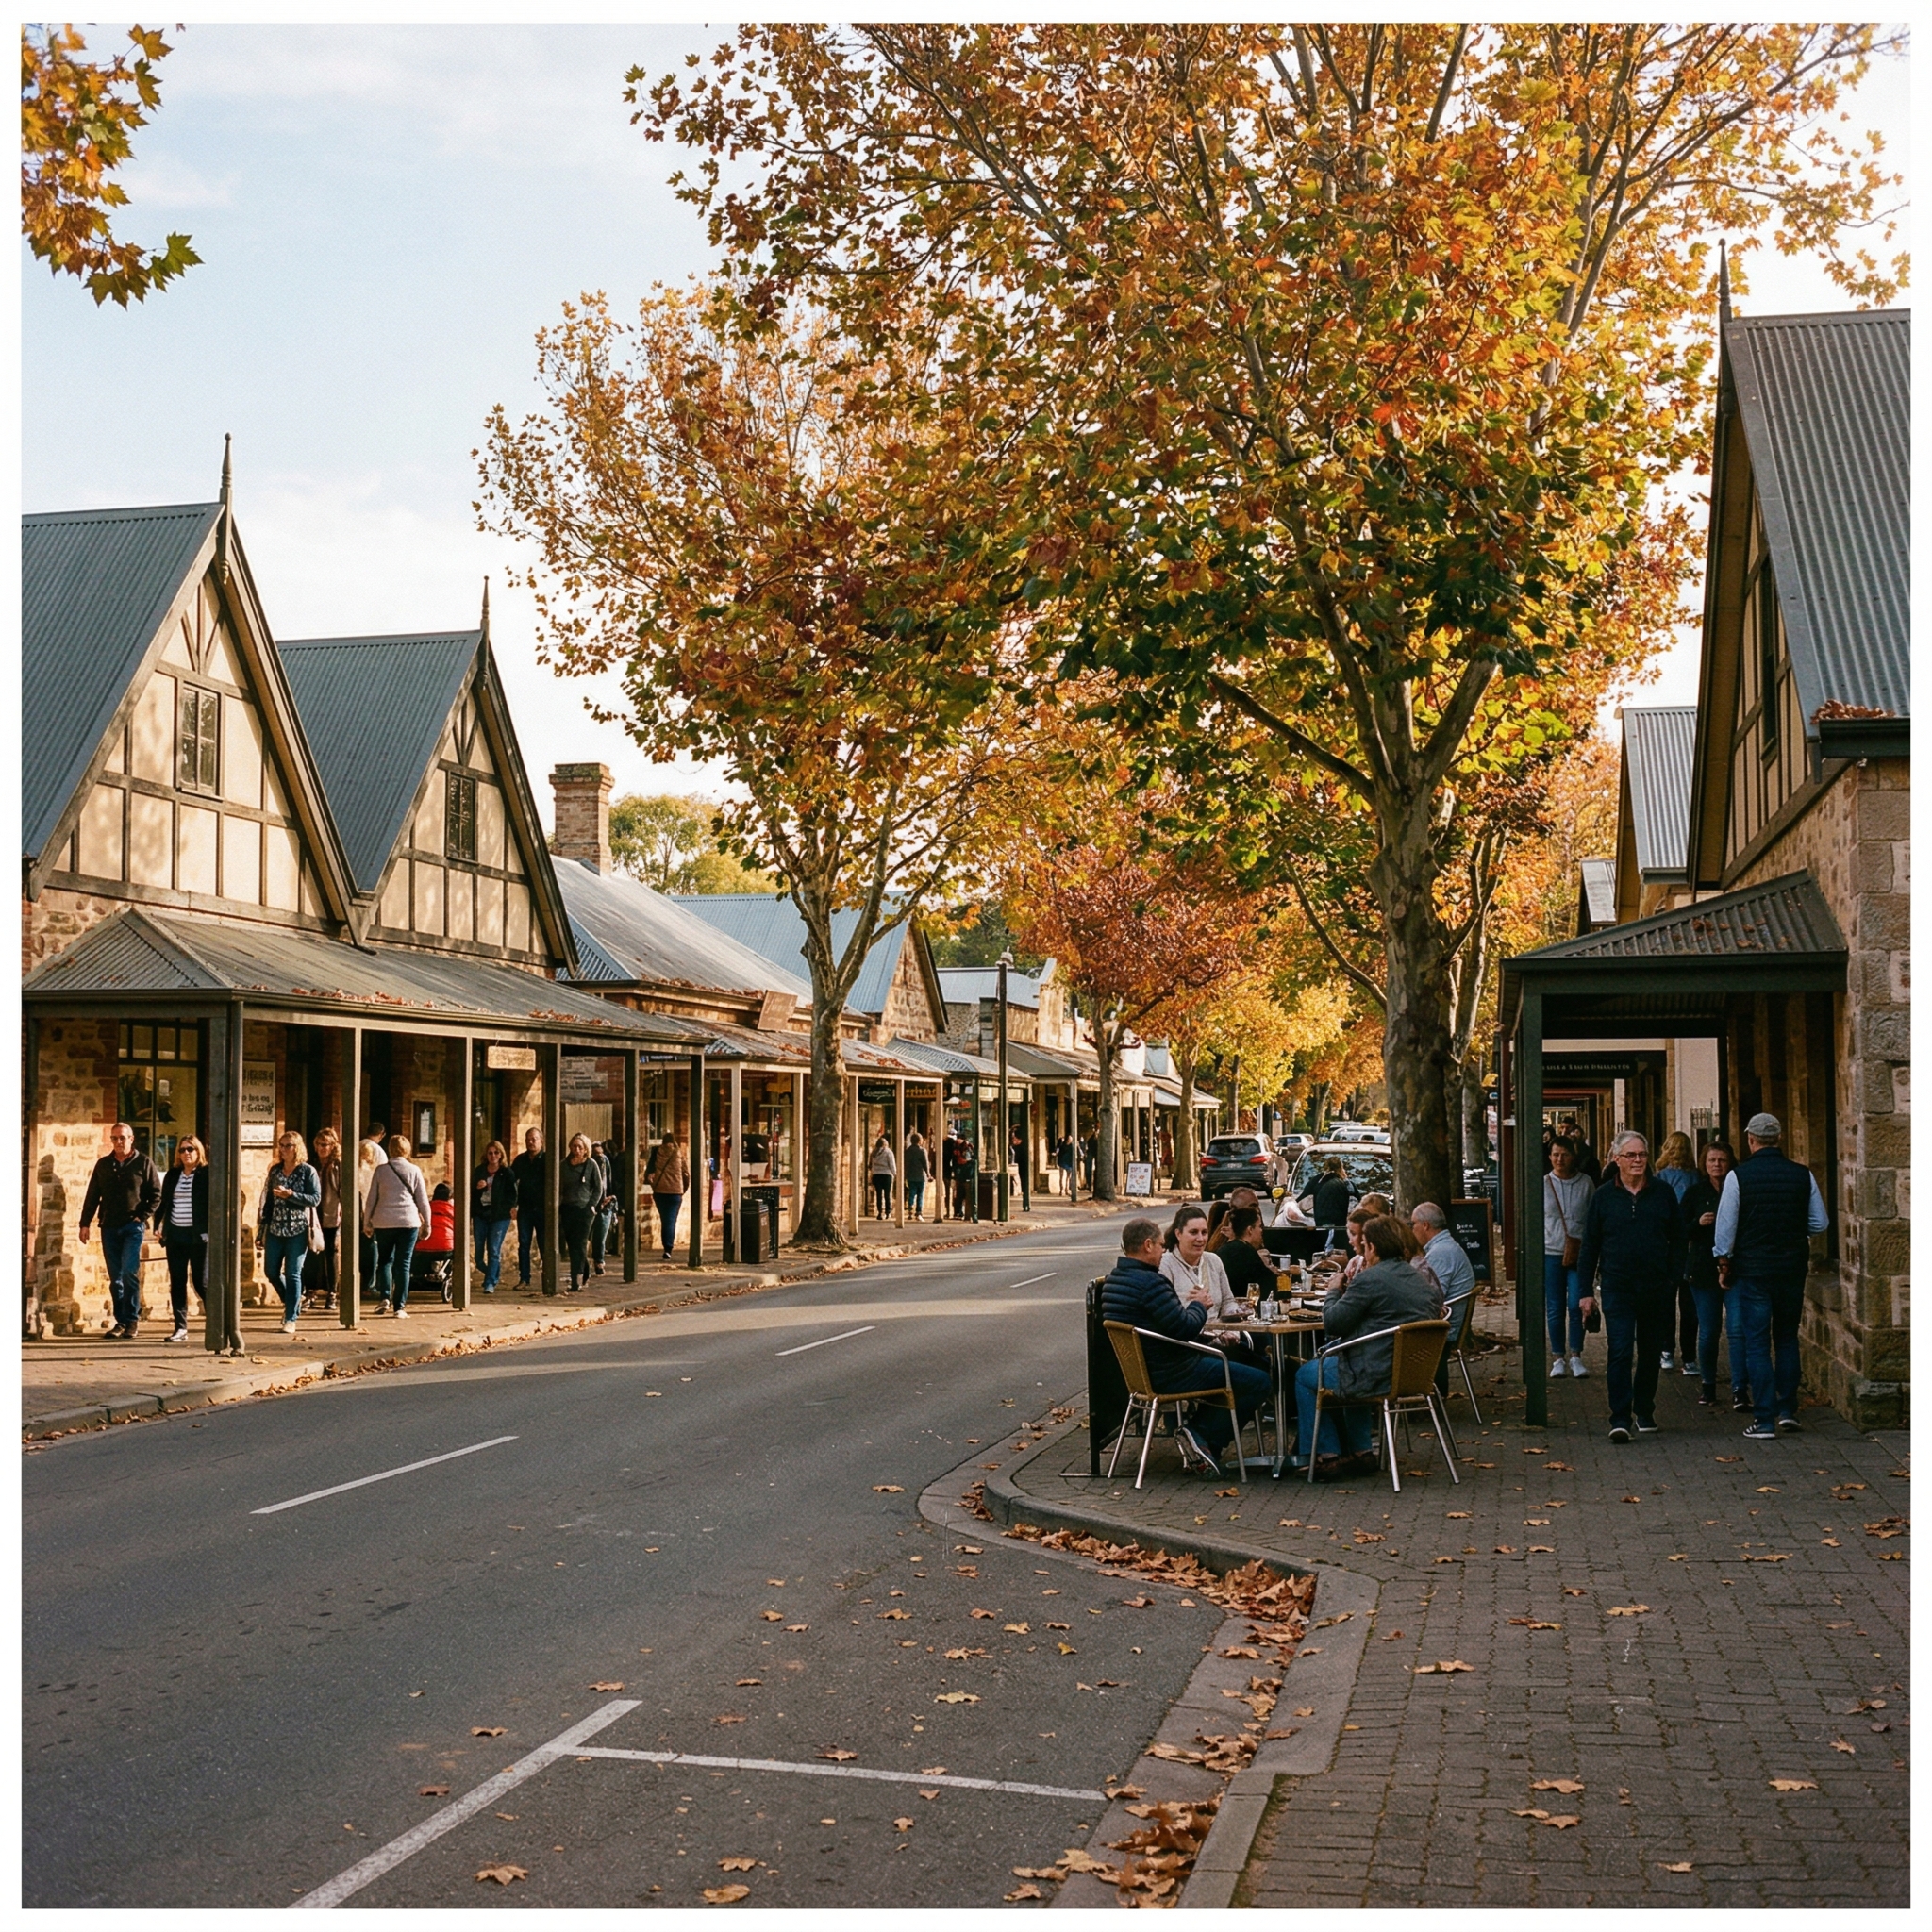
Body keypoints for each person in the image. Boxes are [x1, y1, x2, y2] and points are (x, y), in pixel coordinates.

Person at [1100, 1216, 1268, 1476]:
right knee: (1258, 1380)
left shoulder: (1113, 1281)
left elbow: (1167, 1328)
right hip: (1173, 1371)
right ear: (1147, 1245)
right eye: (1159, 1245)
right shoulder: (1151, 1283)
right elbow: (1184, 1329)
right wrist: (1199, 1304)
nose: (1162, 1250)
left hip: (1141, 1373)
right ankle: (1201, 1435)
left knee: (1237, 1366)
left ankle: (1202, 1441)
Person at [1292, 1214, 1443, 1478]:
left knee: (1306, 1376)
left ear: (1372, 1247)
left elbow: (1334, 1323)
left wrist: (1334, 1290)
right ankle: (1362, 1451)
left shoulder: (1370, 1279)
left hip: (1375, 1373)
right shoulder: (1419, 1279)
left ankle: (1326, 1455)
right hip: (1413, 1374)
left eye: (1363, 1243)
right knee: (1347, 1360)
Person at [1715, 1112, 1829, 1441]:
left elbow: (1725, 1230)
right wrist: (1795, 1232)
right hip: (1791, 1267)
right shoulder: (1801, 1175)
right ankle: (1788, 1410)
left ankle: (1764, 1419)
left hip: (1753, 1269)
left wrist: (1724, 1262)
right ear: (1779, 1139)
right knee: (1786, 1337)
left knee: (1756, 1342)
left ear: (1751, 1140)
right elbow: (1819, 1223)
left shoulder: (1739, 1177)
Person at [1575, 1132, 1686, 1442]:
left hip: (1656, 1288)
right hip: (1617, 1286)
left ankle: (1645, 1408)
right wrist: (1585, 1292)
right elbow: (1590, 1247)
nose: (1638, 1161)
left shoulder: (1663, 1194)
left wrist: (1672, 1279)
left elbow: (1679, 1240)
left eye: (1642, 1155)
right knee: (1620, 1351)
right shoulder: (1603, 1198)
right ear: (1617, 1160)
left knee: (1650, 1352)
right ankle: (1620, 1417)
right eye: (1631, 1155)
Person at [79, 1121, 162, 1340]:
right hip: (109, 1226)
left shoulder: (143, 1162)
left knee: (129, 1273)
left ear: (131, 1139)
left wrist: (141, 1216)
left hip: (132, 1227)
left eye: (122, 1138)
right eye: (114, 1138)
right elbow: (92, 1195)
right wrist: (84, 1224)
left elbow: (156, 1194)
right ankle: (121, 1321)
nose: (118, 1142)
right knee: (116, 1277)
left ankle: (132, 1319)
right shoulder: (104, 1164)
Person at [1682, 1141, 1737, 1408]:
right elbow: (1679, 1230)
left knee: (1737, 1328)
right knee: (1709, 1330)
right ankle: (1708, 1385)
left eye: (1722, 1160)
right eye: (1712, 1160)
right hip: (1703, 1267)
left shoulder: (1737, 1188)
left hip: (1735, 1267)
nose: (1717, 1165)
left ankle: (1740, 1386)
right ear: (1704, 1163)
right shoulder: (1695, 1192)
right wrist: (1698, 1223)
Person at [256, 1130, 321, 1335]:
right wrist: (261, 1230)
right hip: (275, 1228)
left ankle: (291, 1317)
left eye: (287, 1146)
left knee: (293, 1273)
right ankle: (292, 1301)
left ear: (297, 1148)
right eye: (281, 1145)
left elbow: (315, 1198)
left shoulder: (307, 1171)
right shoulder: (275, 1171)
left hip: (298, 1229)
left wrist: (291, 1195)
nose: (283, 1150)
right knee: (271, 1272)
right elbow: (267, 1202)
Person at [1542, 1139, 1593, 1380]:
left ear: (1573, 1156)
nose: (1559, 1159)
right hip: (1551, 1251)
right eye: (1555, 1154)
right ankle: (1557, 1358)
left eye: (1564, 1154)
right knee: (1554, 1306)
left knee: (1576, 1303)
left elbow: (1593, 1218)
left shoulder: (1586, 1184)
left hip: (1578, 1252)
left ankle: (1576, 1355)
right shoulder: (1543, 1184)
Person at [365, 1133, 431, 1318]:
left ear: (390, 1149)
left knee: (384, 1260)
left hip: (384, 1221)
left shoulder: (381, 1171)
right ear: (407, 1150)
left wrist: (367, 1222)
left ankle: (385, 1296)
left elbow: (371, 1199)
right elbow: (422, 1201)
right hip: (408, 1222)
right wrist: (428, 1224)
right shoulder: (414, 1171)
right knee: (404, 1264)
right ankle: (399, 1306)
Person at [156, 1134, 210, 1343]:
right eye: (182, 1150)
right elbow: (164, 1202)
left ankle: (216, 1321)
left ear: (198, 1152)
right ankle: (180, 1327)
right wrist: (159, 1226)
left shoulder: (206, 1174)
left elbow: (214, 1205)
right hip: (176, 1235)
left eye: (190, 1149)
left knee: (201, 1282)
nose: (186, 1154)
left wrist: (209, 1231)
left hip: (198, 1236)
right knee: (177, 1281)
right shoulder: (173, 1174)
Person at [1654, 1131, 1700, 1371]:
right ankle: (1689, 1357)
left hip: (1667, 1248)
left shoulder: (1660, 1177)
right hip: (1690, 1247)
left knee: (1666, 1304)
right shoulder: (1695, 1177)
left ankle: (1666, 1350)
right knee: (1689, 1306)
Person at [1160, 1203, 1241, 1320]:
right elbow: (1166, 1311)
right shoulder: (1165, 1264)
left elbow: (1228, 1301)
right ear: (1178, 1234)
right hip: (1185, 1334)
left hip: (1219, 1333)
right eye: (1193, 1232)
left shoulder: (1214, 1260)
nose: (1200, 1239)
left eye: (1204, 1232)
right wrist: (1196, 1305)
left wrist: (1233, 1326)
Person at [472, 1140, 517, 1293]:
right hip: (481, 1214)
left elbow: (512, 1195)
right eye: (490, 1153)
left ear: (501, 1154)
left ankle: (489, 1283)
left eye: (496, 1152)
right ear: (486, 1155)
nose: (493, 1156)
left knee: (493, 1249)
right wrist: (478, 1188)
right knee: (478, 1255)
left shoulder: (506, 1172)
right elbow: (471, 1192)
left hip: (499, 1216)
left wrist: (509, 1208)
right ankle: (493, 1273)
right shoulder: (479, 1171)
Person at [558, 1133, 603, 1291]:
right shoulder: (564, 1165)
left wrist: (592, 1205)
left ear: (586, 1149)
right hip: (568, 1208)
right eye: (574, 1146)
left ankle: (576, 1278)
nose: (576, 1150)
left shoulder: (591, 1165)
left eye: (580, 1147)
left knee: (581, 1243)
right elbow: (558, 1186)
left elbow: (598, 1188)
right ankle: (584, 1271)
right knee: (572, 1244)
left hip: (585, 1210)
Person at [1409, 1202, 1475, 1307]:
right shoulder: (1446, 1245)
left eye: (1413, 1224)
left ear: (1425, 1225)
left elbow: (1432, 1299)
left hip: (1446, 1321)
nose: (1412, 1230)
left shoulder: (1440, 1252)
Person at [1220, 1206, 1286, 1302]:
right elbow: (1270, 1287)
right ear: (1250, 1229)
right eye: (1259, 1226)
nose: (1261, 1231)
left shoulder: (1222, 1250)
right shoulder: (1247, 1252)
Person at [310, 1127, 343, 1312]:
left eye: (326, 1145)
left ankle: (332, 1292)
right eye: (319, 1144)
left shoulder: (337, 1165)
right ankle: (312, 1290)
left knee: (331, 1252)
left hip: (330, 1215)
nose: (322, 1148)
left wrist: (342, 1213)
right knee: (312, 1252)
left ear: (333, 1146)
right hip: (313, 1215)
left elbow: (342, 1191)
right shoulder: (312, 1164)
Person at [510, 1127, 546, 1287]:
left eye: (534, 1139)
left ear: (541, 1141)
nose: (531, 1142)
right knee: (523, 1243)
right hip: (525, 1208)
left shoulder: (547, 1159)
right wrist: (513, 1204)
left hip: (543, 1209)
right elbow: (511, 1183)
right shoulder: (520, 1160)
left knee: (544, 1243)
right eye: (528, 1139)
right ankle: (524, 1278)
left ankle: (548, 1275)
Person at [357, 1126, 389, 1299]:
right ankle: (369, 1283)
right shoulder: (380, 1153)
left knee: (359, 1245)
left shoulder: (356, 1147)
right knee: (372, 1244)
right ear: (382, 1134)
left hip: (355, 1202)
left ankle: (359, 1281)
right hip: (371, 1203)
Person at [646, 1134, 689, 1261]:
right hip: (676, 1192)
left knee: (665, 1219)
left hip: (659, 1190)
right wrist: (683, 1189)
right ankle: (668, 1248)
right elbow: (686, 1173)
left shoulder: (656, 1152)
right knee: (670, 1220)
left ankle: (667, 1246)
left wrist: (654, 1186)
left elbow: (649, 1171)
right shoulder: (678, 1153)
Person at [1304, 1157, 1352, 1252]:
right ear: (1341, 1168)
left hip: (1320, 1226)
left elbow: (1302, 1198)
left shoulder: (1317, 1181)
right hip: (1337, 1228)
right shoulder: (1345, 1184)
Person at [591, 1133, 623, 1275]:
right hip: (588, 1204)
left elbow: (611, 1183)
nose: (600, 1158)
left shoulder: (609, 1163)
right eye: (596, 1154)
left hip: (605, 1204)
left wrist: (611, 1198)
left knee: (600, 1236)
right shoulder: (588, 1166)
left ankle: (599, 1261)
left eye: (601, 1154)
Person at [869, 1134, 897, 1218]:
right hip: (887, 1175)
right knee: (887, 1194)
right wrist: (895, 1174)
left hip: (877, 1175)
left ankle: (880, 1212)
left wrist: (873, 1173)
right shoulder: (888, 1152)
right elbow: (892, 1164)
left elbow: (871, 1165)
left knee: (879, 1194)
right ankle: (888, 1212)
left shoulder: (873, 1153)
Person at [904, 1132, 930, 1220]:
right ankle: (918, 1212)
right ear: (920, 1141)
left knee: (912, 1192)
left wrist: (905, 1175)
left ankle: (910, 1209)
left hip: (910, 1175)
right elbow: (925, 1164)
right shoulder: (922, 1151)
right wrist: (928, 1174)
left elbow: (906, 1164)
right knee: (920, 1194)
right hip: (920, 1176)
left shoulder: (907, 1151)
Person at [1008, 1126, 1030, 1212]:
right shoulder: (1013, 1147)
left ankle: (1026, 1203)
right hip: (1017, 1168)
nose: (1013, 1139)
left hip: (1021, 1168)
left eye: (1014, 1137)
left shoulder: (1022, 1148)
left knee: (1024, 1183)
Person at [1057, 1132, 1076, 1196]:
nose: (1070, 1140)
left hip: (1069, 1163)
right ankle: (1061, 1190)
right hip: (1062, 1162)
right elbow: (1059, 1154)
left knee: (1068, 1177)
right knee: (1061, 1177)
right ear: (1067, 1139)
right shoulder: (1062, 1146)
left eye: (1071, 1139)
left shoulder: (1072, 1146)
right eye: (1070, 1139)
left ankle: (1067, 1189)